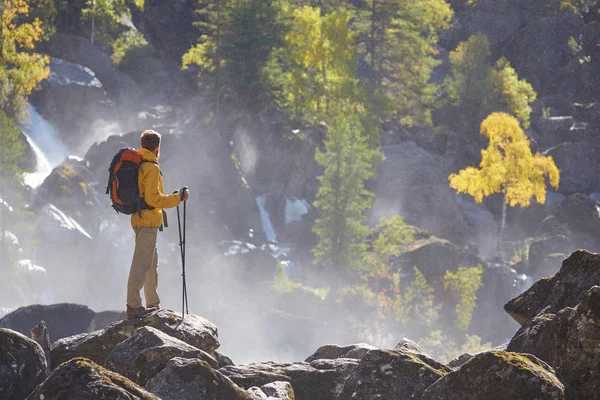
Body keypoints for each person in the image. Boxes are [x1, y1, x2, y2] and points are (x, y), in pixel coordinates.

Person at [126, 129, 189, 318]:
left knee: (151, 265)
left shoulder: (140, 164)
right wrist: (177, 198)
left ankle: (153, 304)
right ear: (158, 147)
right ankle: (133, 306)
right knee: (141, 265)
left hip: (143, 220)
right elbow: (154, 199)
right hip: (147, 221)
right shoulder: (151, 168)